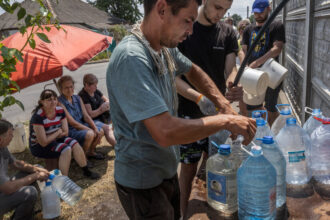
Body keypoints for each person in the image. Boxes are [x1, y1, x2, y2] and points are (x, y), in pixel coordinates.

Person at [106, 0, 256, 219]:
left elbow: (193, 71)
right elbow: (165, 132)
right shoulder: (132, 57)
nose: (191, 30)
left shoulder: (164, 48)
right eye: (187, 20)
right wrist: (226, 121)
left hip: (164, 171)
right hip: (143, 184)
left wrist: (224, 106)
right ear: (162, 9)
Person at [175, 0, 244, 216]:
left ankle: (208, 210)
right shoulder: (186, 28)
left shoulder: (228, 32)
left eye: (225, 9)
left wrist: (233, 84)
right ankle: (183, 212)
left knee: (215, 161)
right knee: (188, 166)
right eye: (216, 6)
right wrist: (198, 98)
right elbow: (173, 77)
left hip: (217, 114)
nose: (220, 14)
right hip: (188, 114)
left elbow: (231, 70)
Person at [29, 89, 99, 179]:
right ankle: (64, 180)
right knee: (66, 149)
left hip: (55, 139)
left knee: (74, 143)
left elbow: (65, 132)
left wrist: (54, 135)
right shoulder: (38, 117)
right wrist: (58, 132)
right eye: (49, 100)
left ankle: (86, 171)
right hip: (38, 146)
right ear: (41, 102)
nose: (53, 102)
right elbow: (43, 142)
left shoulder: (60, 111)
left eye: (55, 99)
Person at [241, 0, 286, 124]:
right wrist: (244, 66)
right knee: (253, 107)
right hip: (252, 74)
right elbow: (243, 50)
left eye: (261, 12)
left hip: (271, 72)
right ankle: (257, 135)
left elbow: (277, 48)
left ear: (269, 9)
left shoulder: (276, 25)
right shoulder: (248, 29)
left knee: (270, 108)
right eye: (255, 13)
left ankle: (271, 135)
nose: (258, 15)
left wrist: (258, 62)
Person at [0, 119, 49, 220]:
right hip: (4, 189)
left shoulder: (2, 147)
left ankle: (25, 215)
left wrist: (36, 169)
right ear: (0, 138)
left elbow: (16, 164)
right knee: (29, 193)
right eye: (10, 134)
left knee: (37, 169)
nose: (12, 137)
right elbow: (8, 188)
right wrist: (35, 176)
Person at [57, 76, 105, 160]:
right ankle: (82, 157)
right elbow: (72, 122)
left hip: (81, 124)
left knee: (100, 131)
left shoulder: (77, 98)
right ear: (61, 89)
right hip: (70, 129)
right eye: (66, 88)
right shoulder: (59, 102)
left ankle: (91, 152)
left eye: (71, 86)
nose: (69, 89)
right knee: (90, 134)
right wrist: (90, 130)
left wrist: (94, 128)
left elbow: (86, 116)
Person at [79, 73, 116, 146]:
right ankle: (119, 148)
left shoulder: (95, 91)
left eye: (96, 84)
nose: (96, 86)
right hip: (94, 120)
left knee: (119, 119)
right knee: (107, 129)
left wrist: (107, 104)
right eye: (94, 85)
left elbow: (107, 100)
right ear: (86, 85)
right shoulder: (83, 96)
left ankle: (119, 140)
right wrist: (101, 109)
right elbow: (90, 115)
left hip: (104, 116)